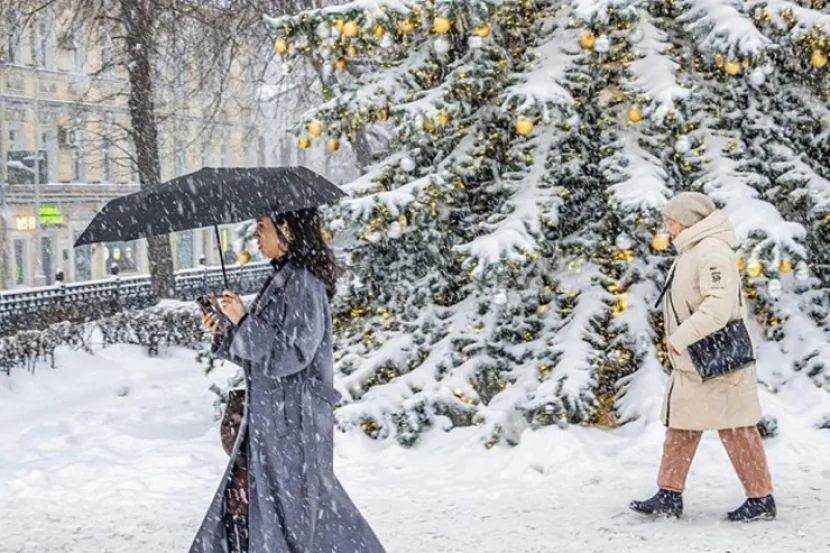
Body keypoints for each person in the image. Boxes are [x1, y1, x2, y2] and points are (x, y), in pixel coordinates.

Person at [189, 207, 387, 553]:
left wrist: (244, 320)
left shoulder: (304, 285)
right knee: (255, 503)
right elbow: (261, 354)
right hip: (273, 420)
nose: (255, 235)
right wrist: (224, 329)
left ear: (287, 231)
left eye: (261, 227)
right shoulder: (285, 279)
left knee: (295, 515)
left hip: (293, 423)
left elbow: (290, 355)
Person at [629, 191, 776, 522]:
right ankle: (669, 494)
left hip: (718, 357)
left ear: (688, 221)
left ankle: (761, 498)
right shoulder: (693, 249)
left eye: (671, 222)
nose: (667, 229)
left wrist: (680, 338)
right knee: (682, 425)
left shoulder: (711, 250)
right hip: (697, 359)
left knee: (737, 427)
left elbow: (718, 307)